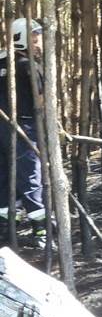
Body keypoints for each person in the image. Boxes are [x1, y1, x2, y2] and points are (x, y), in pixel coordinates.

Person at [0, 18, 47, 248]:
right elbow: (40, 99)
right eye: (35, 37)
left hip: (1, 128)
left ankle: (7, 224)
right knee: (30, 175)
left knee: (4, 176)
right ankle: (41, 229)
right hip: (24, 127)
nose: (38, 41)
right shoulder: (28, 65)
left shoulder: (1, 59)